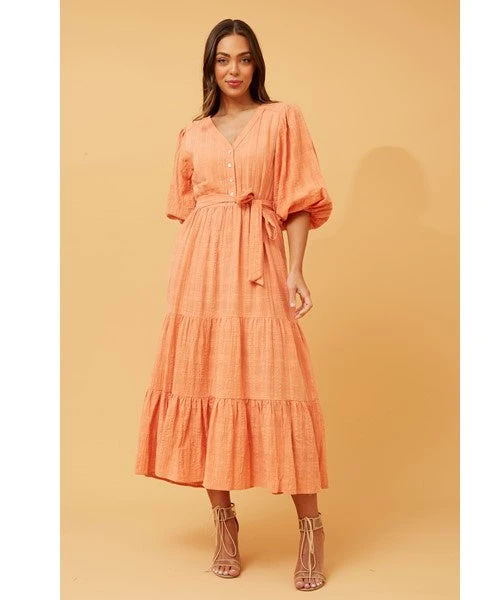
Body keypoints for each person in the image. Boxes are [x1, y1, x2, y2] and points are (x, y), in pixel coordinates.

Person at [134, 18, 333, 592]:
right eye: (223, 60)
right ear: (210, 67)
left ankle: (311, 529)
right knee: (204, 381)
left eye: (243, 58)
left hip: (260, 263)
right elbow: (189, 211)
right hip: (199, 271)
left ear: (257, 64)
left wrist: (295, 269)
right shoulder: (192, 133)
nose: (234, 70)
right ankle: (223, 523)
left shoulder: (282, 118)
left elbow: (300, 200)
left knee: (280, 382)